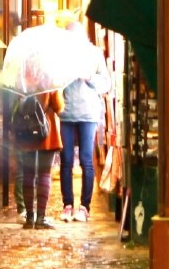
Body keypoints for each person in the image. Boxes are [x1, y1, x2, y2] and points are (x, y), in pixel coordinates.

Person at [56, 69, 109, 222]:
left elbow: (106, 84)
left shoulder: (94, 54)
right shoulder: (63, 54)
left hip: (88, 115)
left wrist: (89, 76)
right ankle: (67, 205)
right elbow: (53, 79)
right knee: (66, 161)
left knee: (86, 161)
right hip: (66, 113)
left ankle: (85, 207)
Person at [9, 86, 62, 228]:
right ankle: (41, 218)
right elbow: (59, 107)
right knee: (44, 174)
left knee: (28, 174)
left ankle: (29, 218)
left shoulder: (22, 80)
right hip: (46, 132)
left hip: (26, 131)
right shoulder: (49, 81)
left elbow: (16, 104)